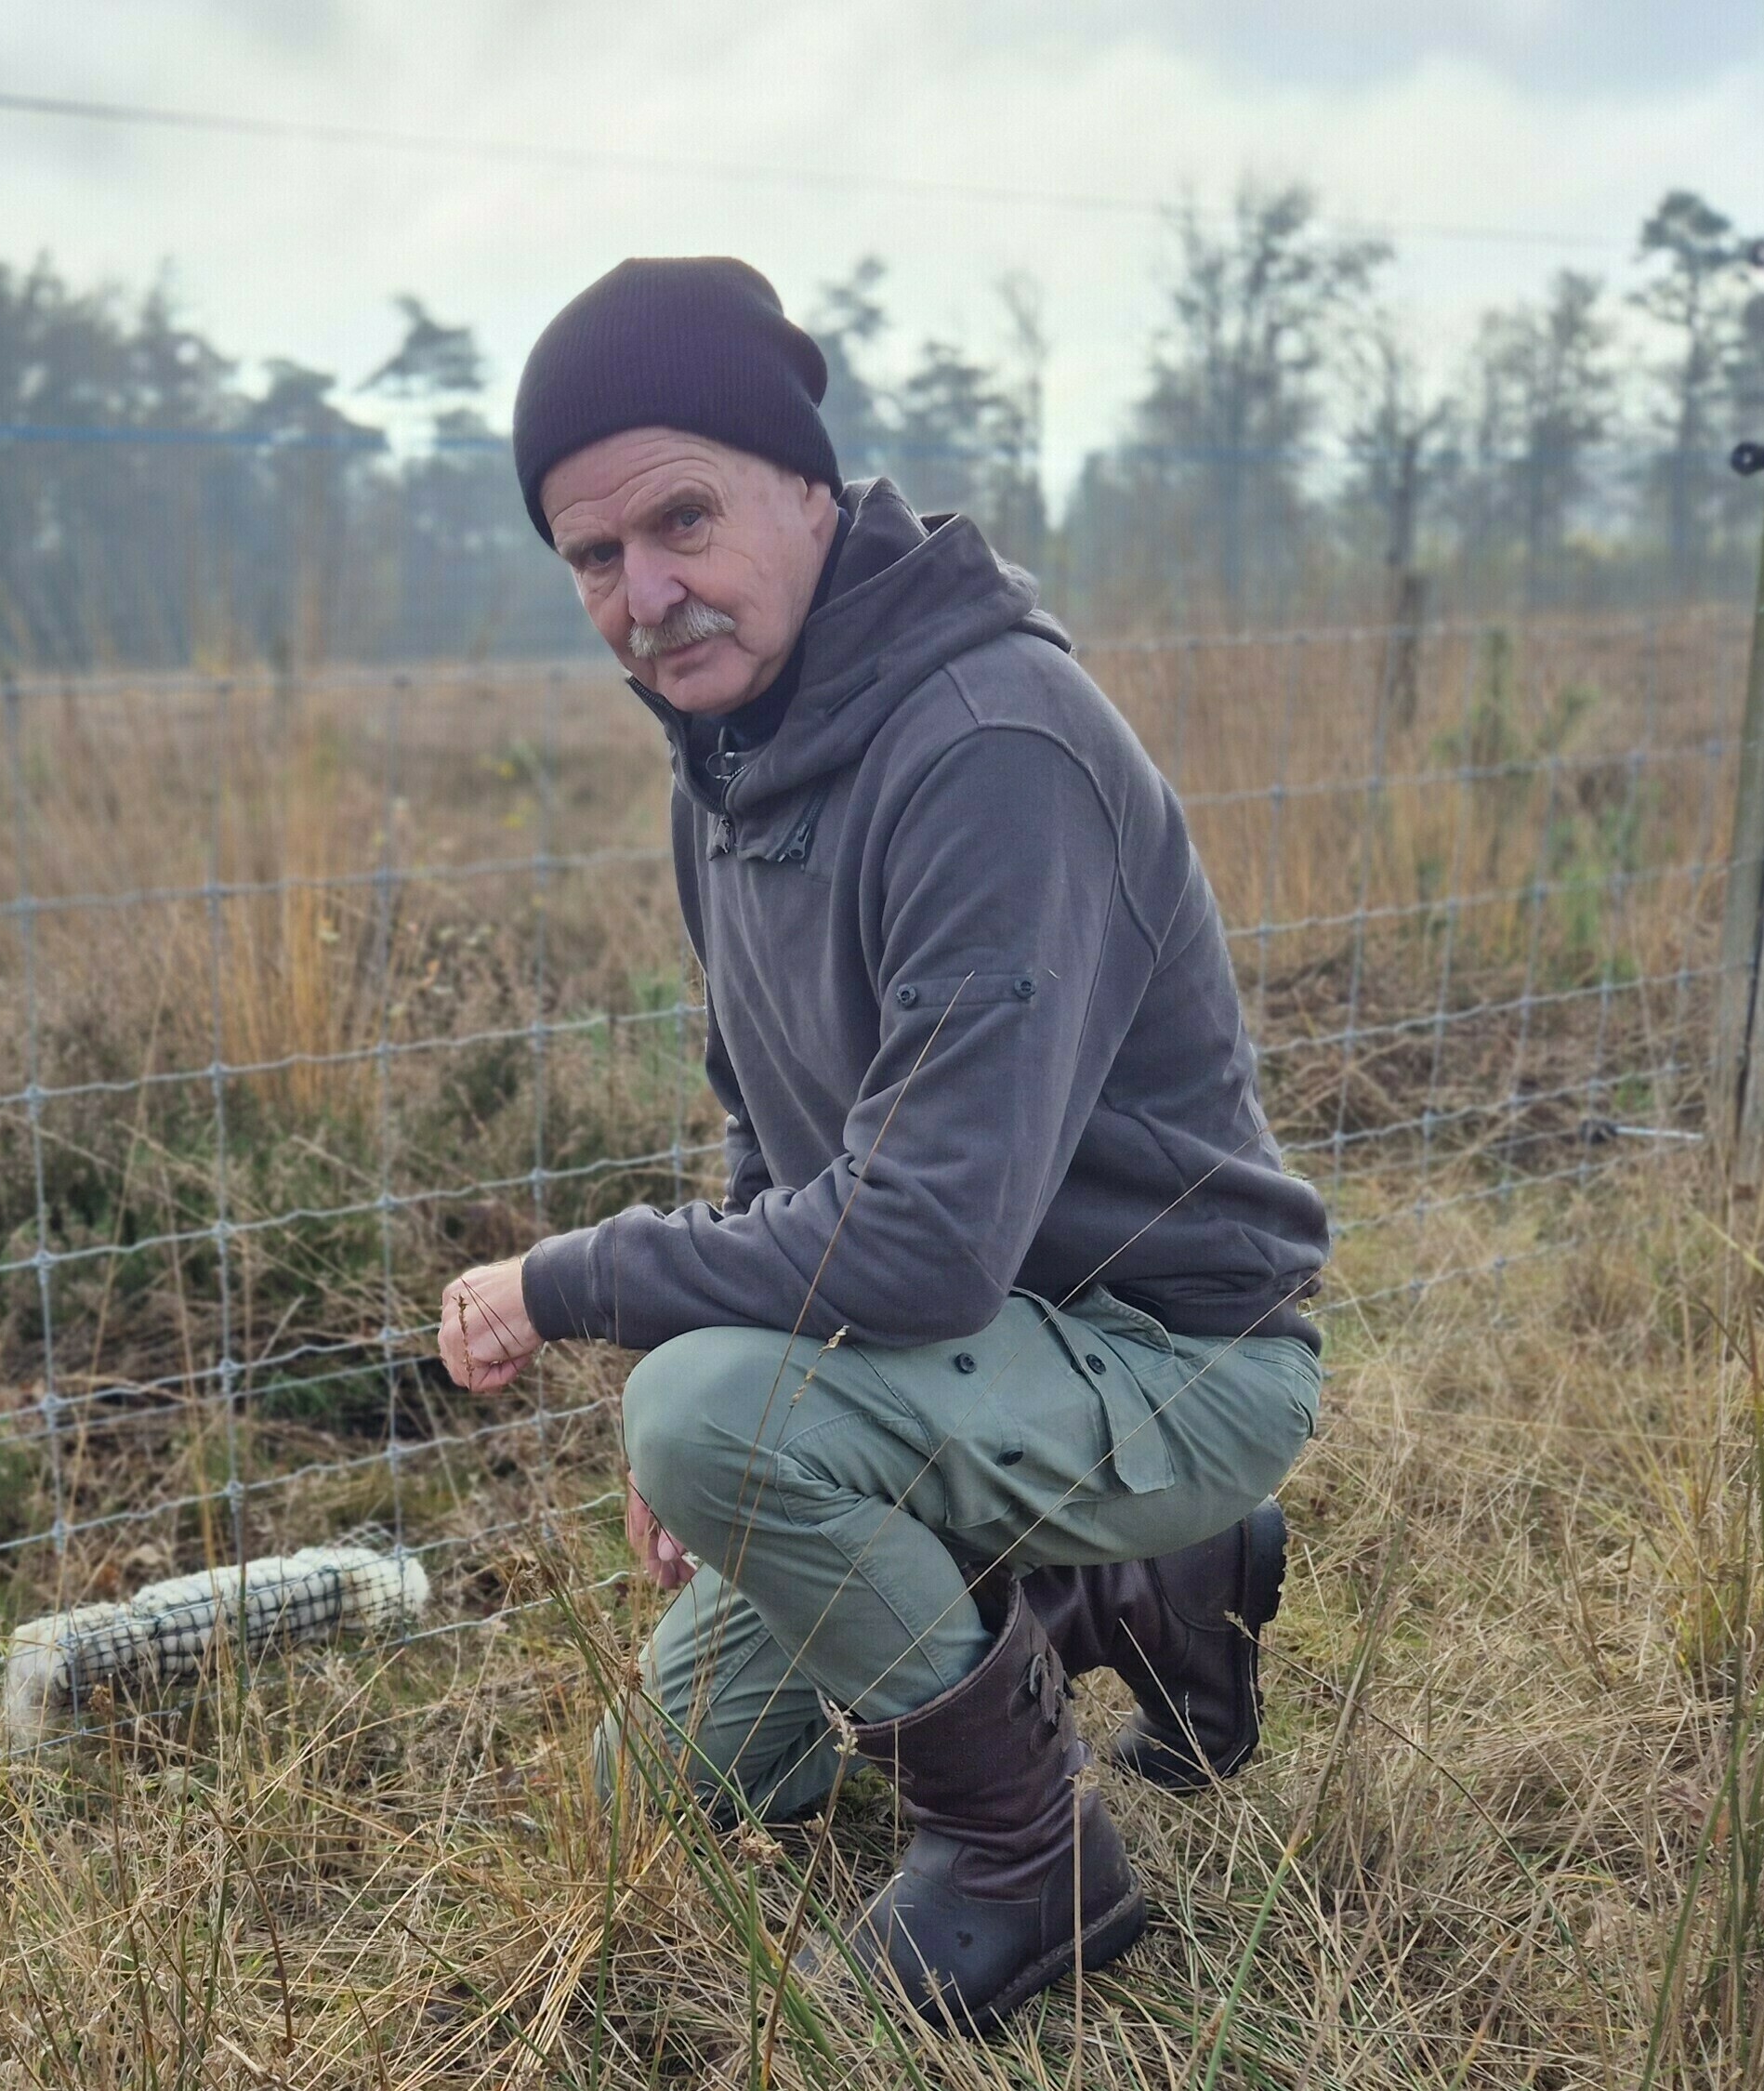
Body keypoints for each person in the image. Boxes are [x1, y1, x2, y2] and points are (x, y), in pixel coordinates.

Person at [431, 256, 1331, 2036]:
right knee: (667, 1787)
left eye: (683, 517)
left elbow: (914, 1248)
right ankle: (1120, 1587)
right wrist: (728, 1356)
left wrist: (591, 1294)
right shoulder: (737, 757)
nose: (648, 592)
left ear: (807, 487)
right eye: (595, 558)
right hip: (957, 1367)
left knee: (706, 1413)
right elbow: (777, 1143)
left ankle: (1024, 1859)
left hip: (1176, 1357)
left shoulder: (988, 742)